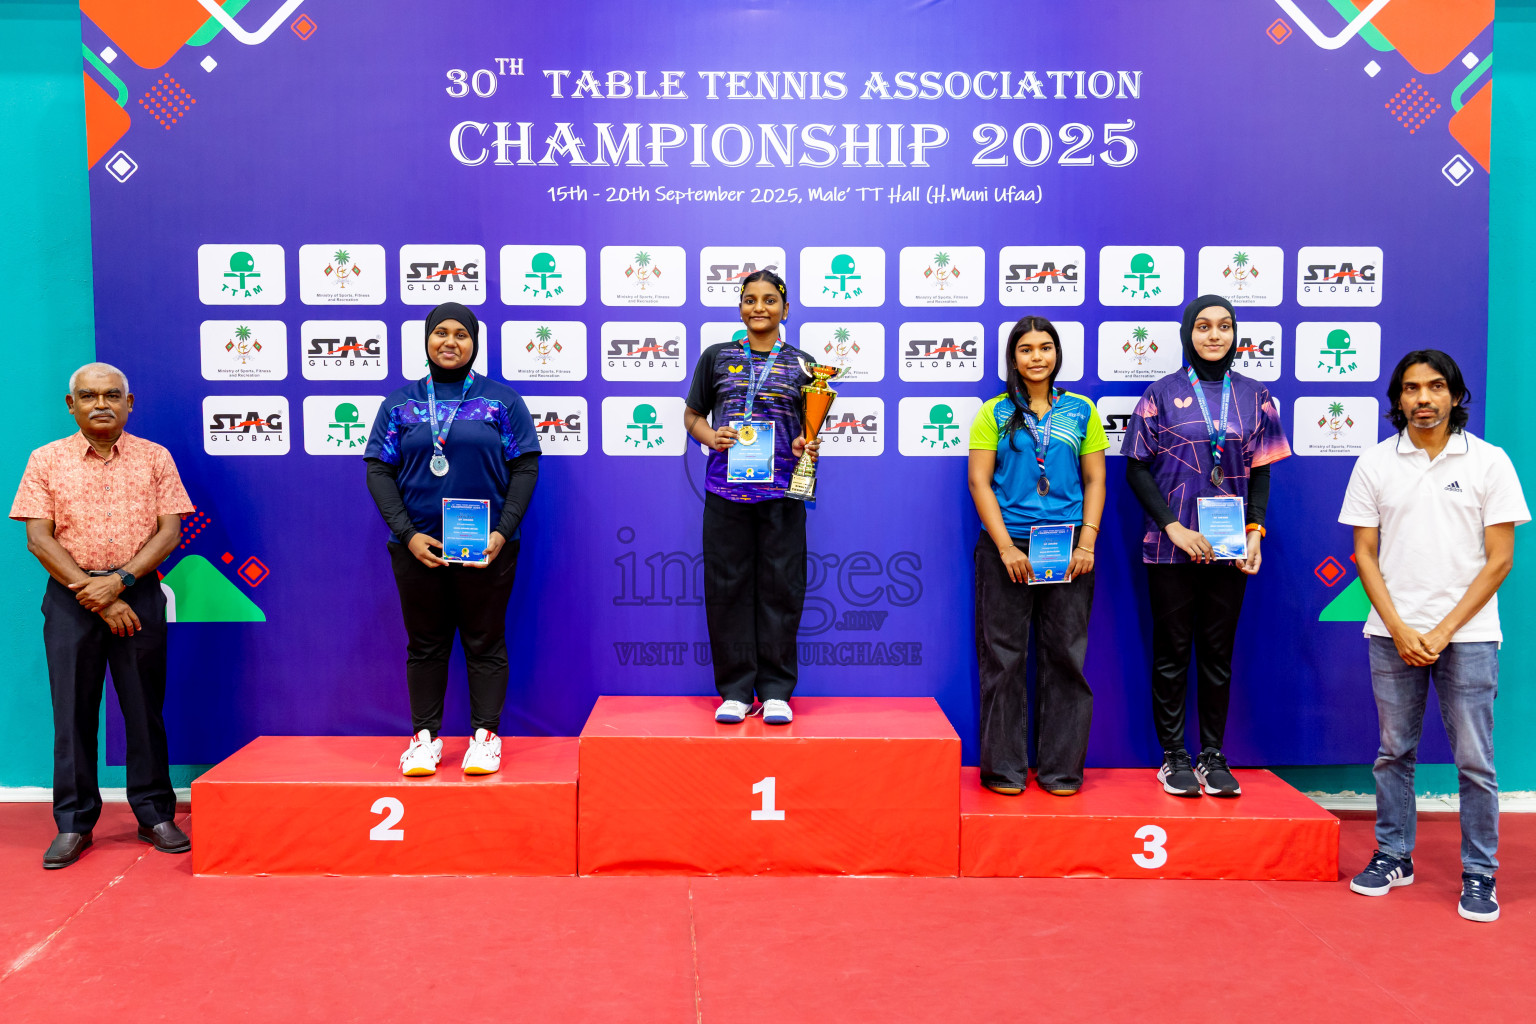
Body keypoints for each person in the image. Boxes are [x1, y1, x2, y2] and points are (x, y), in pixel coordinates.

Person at [1339, 350, 1527, 923]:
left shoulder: (1490, 461)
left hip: (1469, 636)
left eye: (1436, 386)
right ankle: (1394, 855)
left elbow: (1500, 560)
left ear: (1455, 395)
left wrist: (1444, 630)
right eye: (1411, 388)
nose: (1423, 398)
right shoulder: (1374, 462)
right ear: (1398, 399)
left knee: (1475, 761)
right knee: (1393, 752)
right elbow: (1364, 554)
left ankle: (1480, 872)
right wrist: (1399, 627)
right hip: (1391, 634)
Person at [10, 363, 194, 868]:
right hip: (71, 598)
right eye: (88, 396)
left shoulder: (155, 457)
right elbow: (38, 537)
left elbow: (169, 530)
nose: (101, 404)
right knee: (72, 713)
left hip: (138, 594)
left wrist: (122, 582)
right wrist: (99, 594)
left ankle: (155, 814)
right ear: (71, 405)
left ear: (128, 404)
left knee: (143, 708)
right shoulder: (46, 459)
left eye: (112, 395)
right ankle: (73, 822)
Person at [1122, 295, 1290, 797]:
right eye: (1203, 326)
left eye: (1224, 326)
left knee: (1217, 655)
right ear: (1187, 333)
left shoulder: (1256, 396)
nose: (1214, 335)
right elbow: (1136, 468)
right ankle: (1173, 756)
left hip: (1229, 547)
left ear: (1235, 334)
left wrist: (1256, 530)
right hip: (1170, 547)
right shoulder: (1160, 393)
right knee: (1171, 653)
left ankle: (1212, 755)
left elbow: (1261, 472)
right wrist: (1172, 527)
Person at [364, 302, 540, 777]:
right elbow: (378, 470)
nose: (450, 342)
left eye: (461, 334)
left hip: (487, 547)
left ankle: (485, 738)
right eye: (440, 332)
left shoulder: (501, 401)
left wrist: (502, 531)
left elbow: (525, 467)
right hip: (418, 548)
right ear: (427, 340)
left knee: (485, 641)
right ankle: (424, 740)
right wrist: (408, 534)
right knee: (425, 644)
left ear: (474, 343)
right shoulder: (400, 404)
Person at [968, 316, 1107, 796]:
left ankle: (1061, 771)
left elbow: (1095, 480)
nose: (1037, 357)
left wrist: (1087, 542)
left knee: (1066, 658)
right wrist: (1006, 546)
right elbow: (979, 482)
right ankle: (1003, 771)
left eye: (1045, 347)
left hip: (1068, 551)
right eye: (1026, 349)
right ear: (1014, 357)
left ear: (1056, 353)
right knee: (1003, 660)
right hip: (1005, 550)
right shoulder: (994, 412)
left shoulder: (1081, 410)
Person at [684, 269, 818, 725]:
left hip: (782, 494)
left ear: (785, 308)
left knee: (782, 590)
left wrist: (804, 445)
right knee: (727, 590)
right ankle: (736, 691)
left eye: (769, 300)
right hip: (726, 492)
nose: (759, 307)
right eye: (749, 299)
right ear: (740, 306)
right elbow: (692, 416)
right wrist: (711, 436)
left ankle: (776, 690)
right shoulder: (717, 357)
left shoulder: (803, 365)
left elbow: (808, 431)